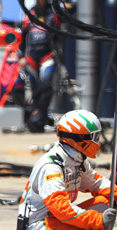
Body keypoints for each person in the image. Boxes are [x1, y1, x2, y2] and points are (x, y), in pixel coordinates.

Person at [20, 0, 59, 132]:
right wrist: (21, 57)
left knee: (46, 85)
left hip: (47, 56)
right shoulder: (29, 14)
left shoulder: (53, 13)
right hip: (31, 57)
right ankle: (35, 117)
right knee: (33, 88)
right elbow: (22, 37)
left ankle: (41, 114)